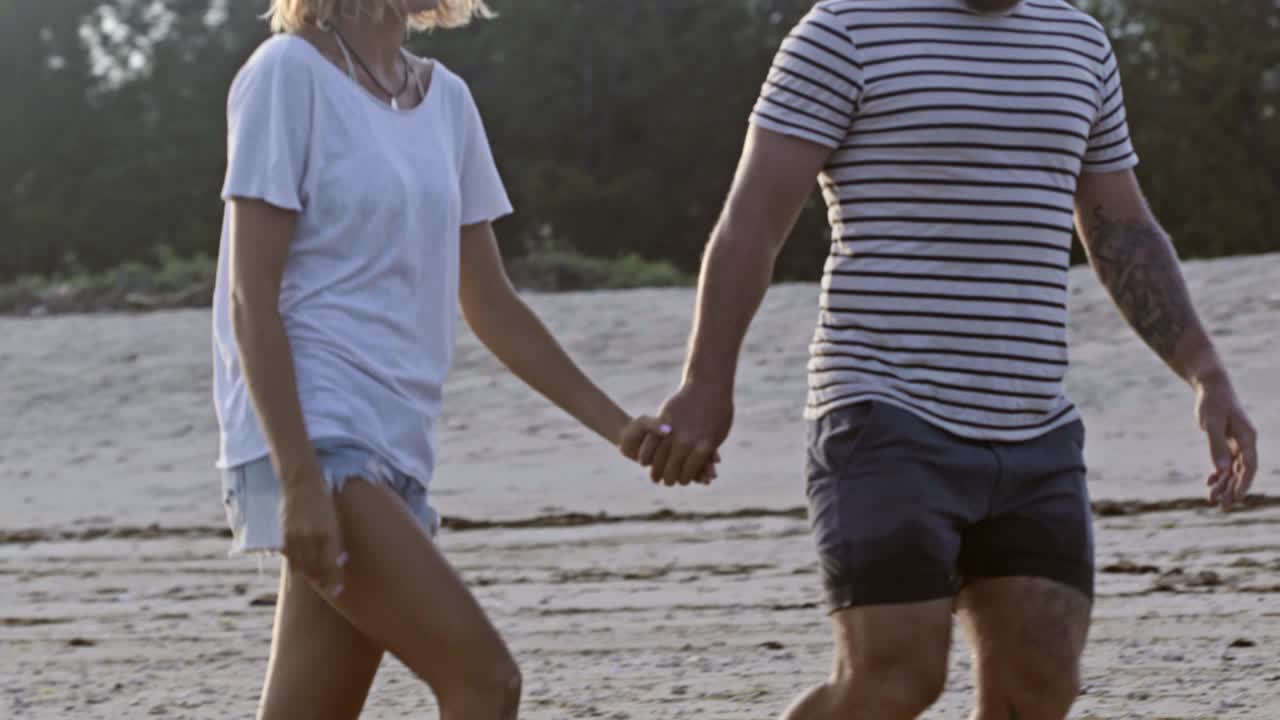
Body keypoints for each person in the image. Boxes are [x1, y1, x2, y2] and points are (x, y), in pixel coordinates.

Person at [625, 0, 1260, 718]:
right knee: (894, 679)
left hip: (1036, 431)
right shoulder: (844, 29)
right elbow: (752, 223)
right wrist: (706, 384)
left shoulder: (1078, 40)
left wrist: (1206, 372)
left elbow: (1122, 231)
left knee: (1040, 684)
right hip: (883, 414)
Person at [211, 1, 673, 718]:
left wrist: (619, 428)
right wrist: (299, 479)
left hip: (398, 444)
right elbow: (251, 296)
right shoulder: (287, 74)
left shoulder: (446, 100)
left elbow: (490, 302)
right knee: (485, 681)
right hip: (315, 439)